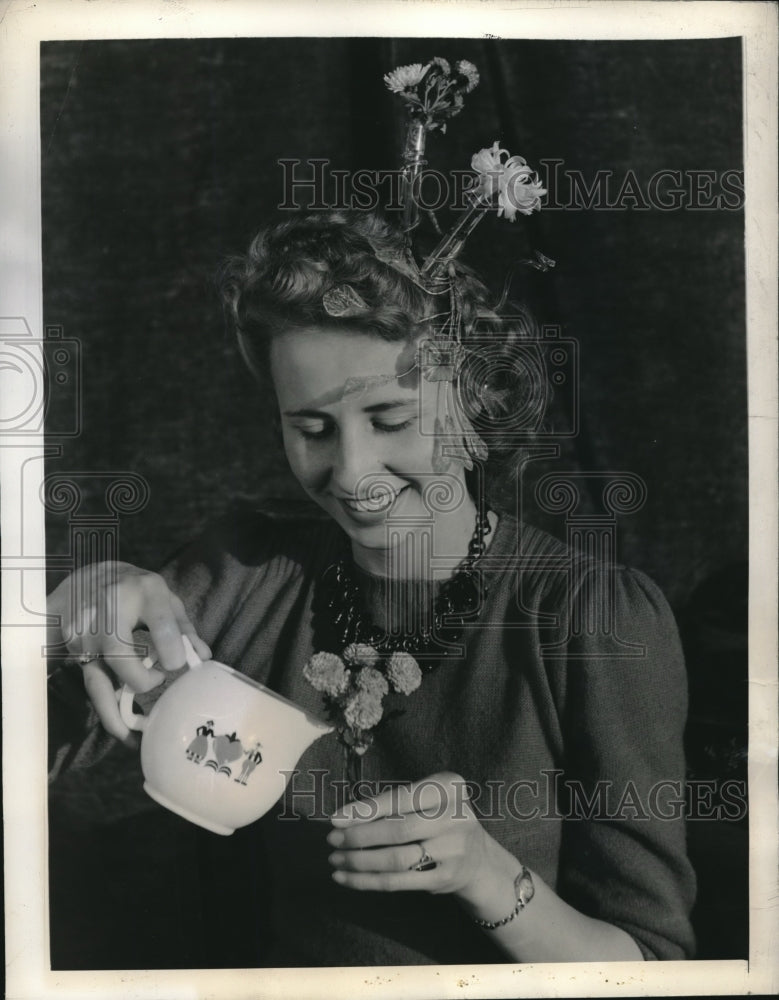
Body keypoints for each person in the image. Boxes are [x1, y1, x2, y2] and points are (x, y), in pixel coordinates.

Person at [47, 208, 695, 967]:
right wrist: (68, 610)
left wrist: (488, 876)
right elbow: (38, 741)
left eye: (389, 417)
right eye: (312, 429)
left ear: (473, 395)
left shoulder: (588, 618)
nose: (351, 474)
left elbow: (652, 965)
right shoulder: (249, 568)